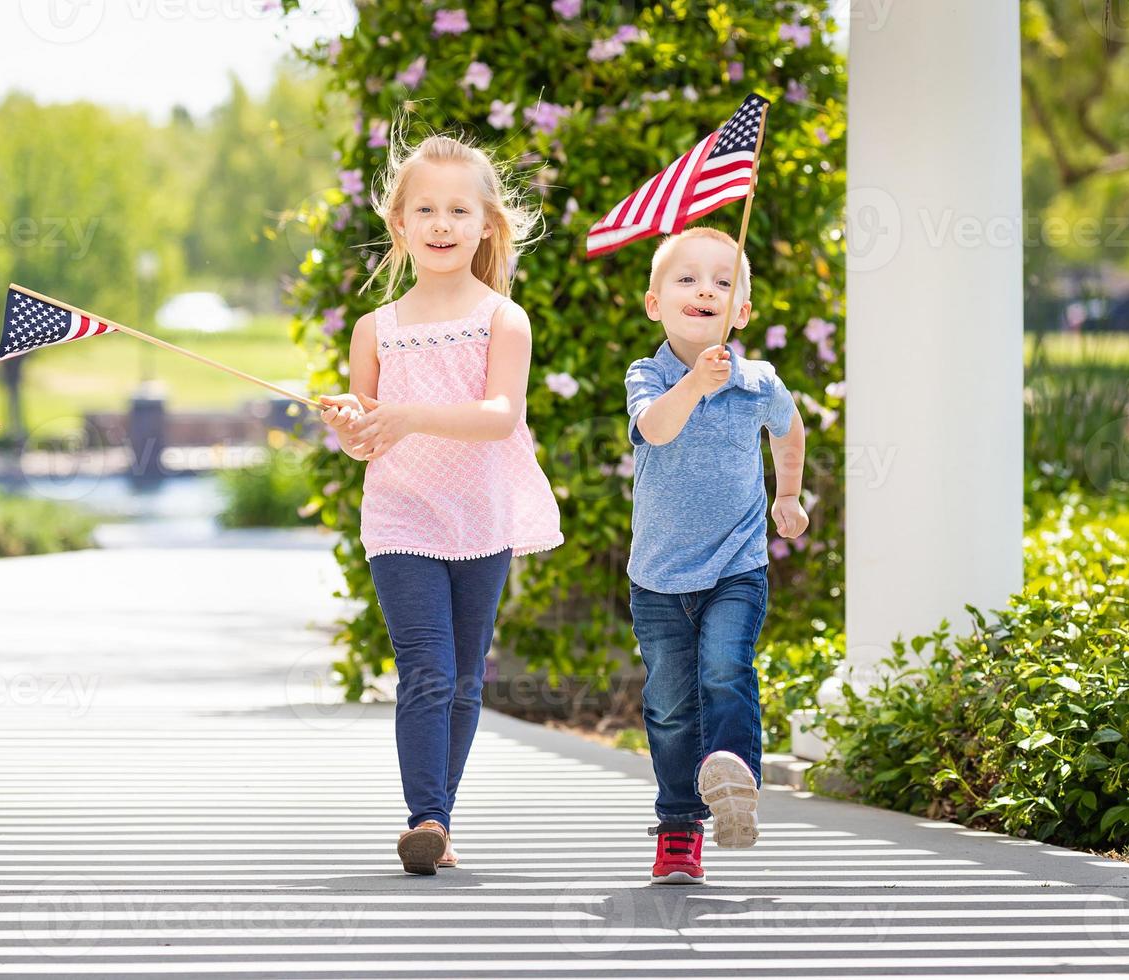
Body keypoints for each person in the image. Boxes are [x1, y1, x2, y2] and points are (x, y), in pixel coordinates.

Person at [318, 130, 564, 876]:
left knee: (463, 675)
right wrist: (349, 426)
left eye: (459, 209)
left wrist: (408, 415)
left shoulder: (502, 318)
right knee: (426, 665)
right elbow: (366, 439)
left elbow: (499, 416)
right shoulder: (376, 330)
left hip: (480, 518)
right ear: (400, 224)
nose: (441, 223)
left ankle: (440, 825)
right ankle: (424, 817)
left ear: (488, 223)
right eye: (424, 208)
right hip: (401, 518)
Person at [623, 226, 809, 884]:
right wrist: (696, 384)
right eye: (688, 279)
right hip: (659, 579)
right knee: (671, 704)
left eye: (724, 283)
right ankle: (679, 828)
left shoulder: (759, 382)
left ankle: (734, 778)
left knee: (726, 670)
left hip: (737, 566)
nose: (706, 289)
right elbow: (656, 427)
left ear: (743, 314)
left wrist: (788, 494)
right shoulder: (647, 375)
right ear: (655, 304)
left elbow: (790, 430)